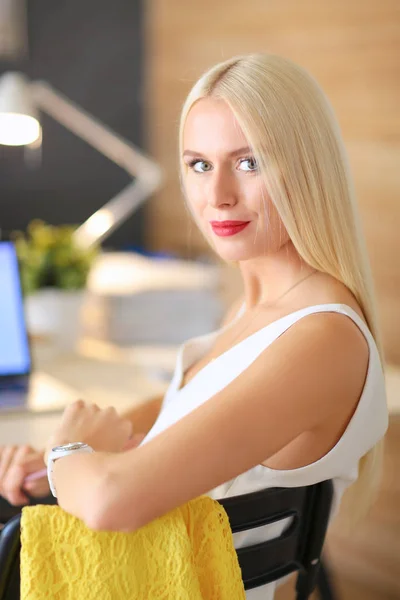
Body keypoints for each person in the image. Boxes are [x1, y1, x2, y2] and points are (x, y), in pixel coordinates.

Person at [0, 53, 388, 599]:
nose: (218, 195)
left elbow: (112, 501)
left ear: (306, 165)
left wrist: (70, 454)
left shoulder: (322, 338)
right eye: (199, 164)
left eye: (249, 162)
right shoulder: (253, 310)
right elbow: (176, 417)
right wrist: (52, 463)